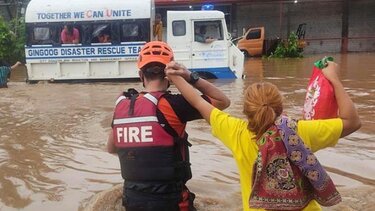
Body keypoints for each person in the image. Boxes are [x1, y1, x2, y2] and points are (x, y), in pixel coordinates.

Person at [165, 61, 361, 211]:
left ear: (246, 110)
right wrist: (333, 78)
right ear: (280, 107)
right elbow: (353, 122)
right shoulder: (300, 132)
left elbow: (199, 103)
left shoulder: (236, 132)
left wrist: (178, 76)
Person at [106, 41, 230, 211]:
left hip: (132, 200)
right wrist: (189, 77)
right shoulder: (175, 105)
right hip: (171, 201)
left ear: (141, 74)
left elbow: (112, 149)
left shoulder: (121, 106)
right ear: (169, 75)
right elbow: (223, 101)